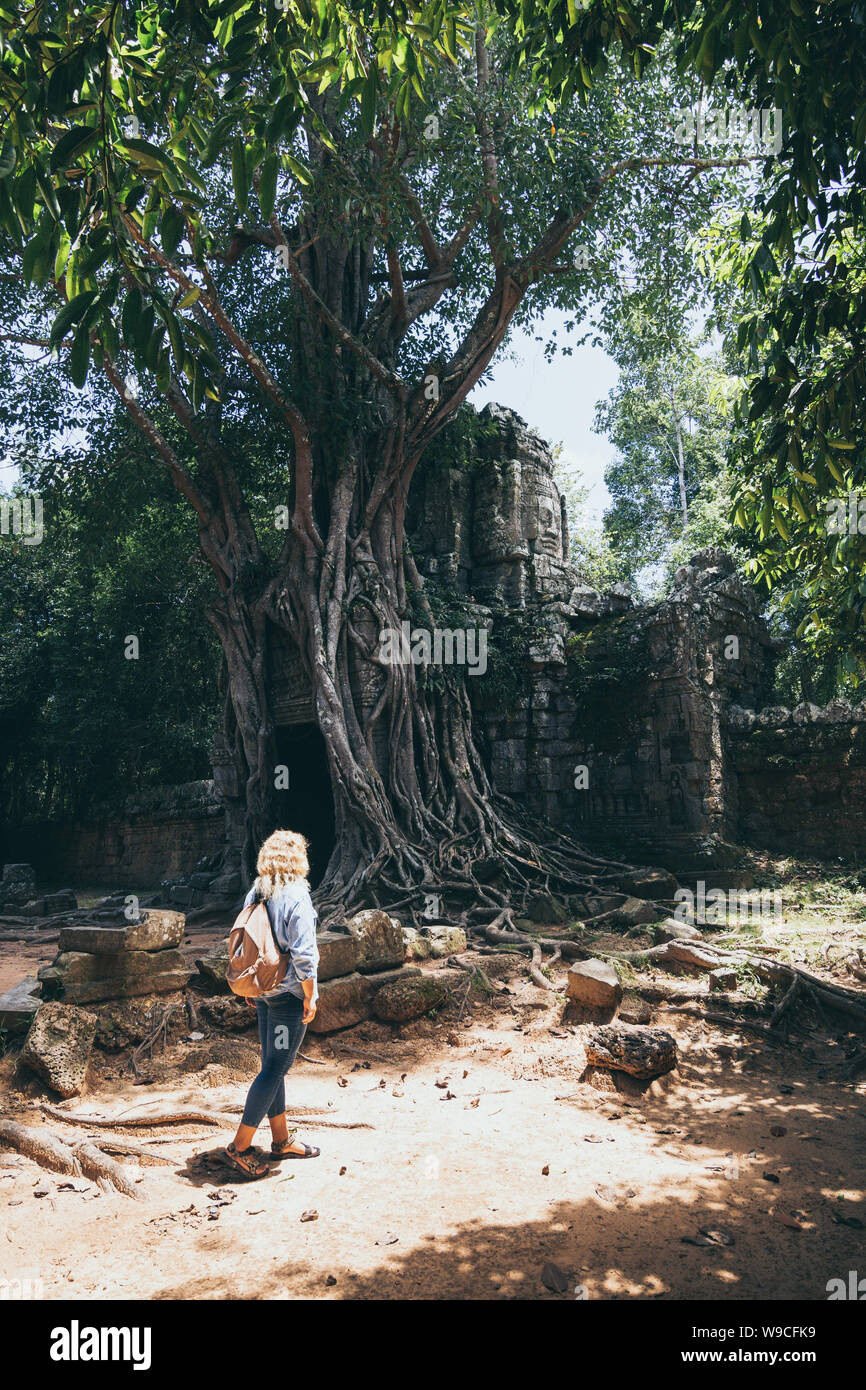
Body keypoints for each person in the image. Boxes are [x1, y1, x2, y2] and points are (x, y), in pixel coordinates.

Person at [224, 829, 321, 1178]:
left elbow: (246, 938)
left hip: (264, 993)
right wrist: (311, 995)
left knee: (272, 1065)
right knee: (273, 1069)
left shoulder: (258, 888)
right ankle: (239, 1147)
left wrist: (254, 988)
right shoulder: (297, 896)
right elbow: (305, 955)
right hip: (287, 998)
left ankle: (281, 1141)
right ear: (299, 857)